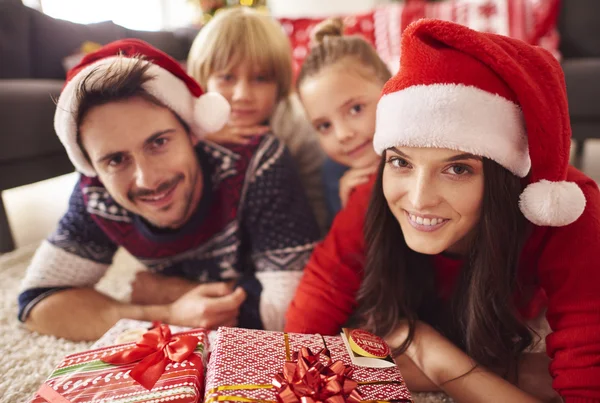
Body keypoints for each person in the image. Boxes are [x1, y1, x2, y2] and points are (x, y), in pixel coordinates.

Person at [285, 19, 600, 402]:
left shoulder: (565, 207)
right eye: (401, 162)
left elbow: (586, 360)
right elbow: (305, 330)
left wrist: (435, 357)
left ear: (503, 176)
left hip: (496, 326)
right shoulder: (369, 196)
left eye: (457, 169)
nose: (418, 199)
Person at [18, 39, 321, 341]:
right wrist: (167, 313)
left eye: (159, 142)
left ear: (192, 131)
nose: (147, 180)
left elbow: (291, 313)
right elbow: (37, 302)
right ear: (93, 168)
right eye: (116, 159)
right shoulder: (95, 191)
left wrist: (166, 290)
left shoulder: (259, 161)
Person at [186, 7, 328, 232]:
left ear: (279, 84)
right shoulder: (188, 120)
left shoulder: (299, 128)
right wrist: (199, 137)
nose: (242, 95)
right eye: (227, 77)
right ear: (204, 79)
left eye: (260, 79)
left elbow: (317, 210)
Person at [295, 18, 391, 224]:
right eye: (324, 126)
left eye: (355, 109)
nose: (343, 135)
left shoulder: (424, 144)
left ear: (390, 88)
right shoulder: (334, 174)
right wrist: (350, 213)